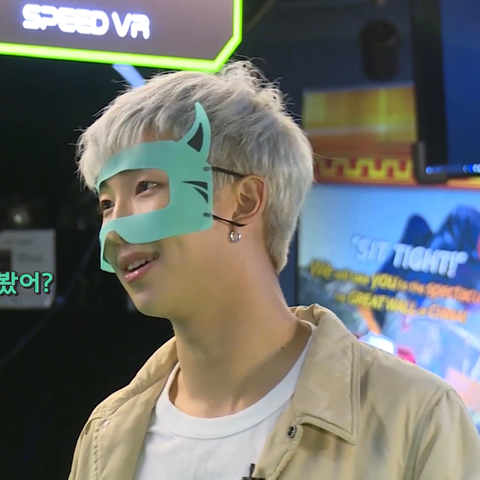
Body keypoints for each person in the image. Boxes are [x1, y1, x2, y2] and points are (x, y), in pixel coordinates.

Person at [69, 61, 480, 480]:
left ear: (245, 201)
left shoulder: (416, 417)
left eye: (146, 187)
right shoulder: (106, 435)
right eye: (106, 204)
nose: (115, 231)